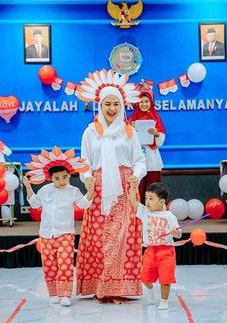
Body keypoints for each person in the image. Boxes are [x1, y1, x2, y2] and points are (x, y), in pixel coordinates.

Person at [74, 69, 147, 304]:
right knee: (98, 238)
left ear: (122, 105)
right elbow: (83, 162)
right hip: (98, 190)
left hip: (125, 189)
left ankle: (116, 287)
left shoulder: (129, 132)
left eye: (116, 103)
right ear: (100, 105)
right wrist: (87, 178)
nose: (112, 108)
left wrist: (136, 175)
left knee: (124, 238)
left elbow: (140, 160)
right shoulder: (90, 132)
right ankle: (99, 286)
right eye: (108, 103)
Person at [22, 148, 94, 306]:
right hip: (46, 235)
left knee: (66, 264)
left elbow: (84, 204)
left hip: (65, 235)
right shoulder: (45, 190)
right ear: (50, 178)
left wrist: (90, 191)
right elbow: (34, 203)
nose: (61, 181)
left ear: (69, 175)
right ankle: (54, 293)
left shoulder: (73, 191)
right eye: (57, 178)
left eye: (64, 177)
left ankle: (65, 294)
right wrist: (28, 186)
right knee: (49, 266)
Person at [128, 181, 181, 310]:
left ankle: (164, 301)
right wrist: (132, 189)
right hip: (150, 250)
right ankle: (151, 293)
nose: (147, 201)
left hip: (166, 251)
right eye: (146, 198)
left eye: (151, 198)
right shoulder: (145, 211)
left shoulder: (169, 216)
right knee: (145, 277)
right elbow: (133, 202)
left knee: (165, 278)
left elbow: (178, 234)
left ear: (161, 202)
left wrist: (176, 232)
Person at [127, 88, 166, 202]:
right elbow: (125, 140)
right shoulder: (132, 119)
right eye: (141, 102)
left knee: (153, 188)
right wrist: (130, 129)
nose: (144, 104)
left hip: (151, 158)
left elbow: (161, 141)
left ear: (151, 103)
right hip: (136, 158)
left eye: (146, 101)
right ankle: (138, 214)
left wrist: (157, 133)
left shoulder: (156, 118)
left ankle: (153, 213)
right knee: (137, 187)